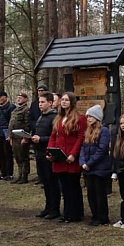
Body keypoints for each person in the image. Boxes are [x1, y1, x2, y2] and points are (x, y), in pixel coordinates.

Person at [47, 92, 87, 223]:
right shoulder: (58, 118)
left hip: (71, 157)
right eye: (62, 100)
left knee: (73, 185)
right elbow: (53, 136)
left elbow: (81, 137)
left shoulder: (79, 118)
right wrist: (50, 151)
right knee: (64, 186)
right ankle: (67, 213)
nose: (64, 102)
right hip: (59, 157)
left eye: (67, 100)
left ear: (72, 102)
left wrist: (73, 154)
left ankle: (75, 213)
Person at [80, 105, 113, 226]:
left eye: (91, 116)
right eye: (87, 116)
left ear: (97, 117)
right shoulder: (87, 131)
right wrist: (82, 162)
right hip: (88, 168)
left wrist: (89, 163)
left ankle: (102, 217)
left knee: (100, 193)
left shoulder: (104, 131)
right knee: (91, 194)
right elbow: (83, 148)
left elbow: (101, 150)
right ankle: (95, 215)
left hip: (100, 168)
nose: (88, 118)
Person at [31, 92, 59, 219]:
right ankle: (48, 207)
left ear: (50, 103)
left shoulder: (54, 117)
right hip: (39, 153)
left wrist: (41, 139)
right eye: (39, 102)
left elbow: (56, 137)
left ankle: (54, 209)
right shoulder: (41, 117)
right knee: (45, 182)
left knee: (52, 182)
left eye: (43, 102)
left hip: (49, 154)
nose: (40, 104)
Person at [8, 92, 32, 184]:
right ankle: (20, 175)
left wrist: (25, 137)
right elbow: (11, 124)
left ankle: (24, 176)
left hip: (21, 137)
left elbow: (27, 124)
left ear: (26, 99)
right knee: (17, 157)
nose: (18, 99)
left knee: (23, 157)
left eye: (21, 98)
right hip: (14, 137)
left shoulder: (26, 110)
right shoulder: (15, 110)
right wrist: (10, 136)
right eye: (17, 98)